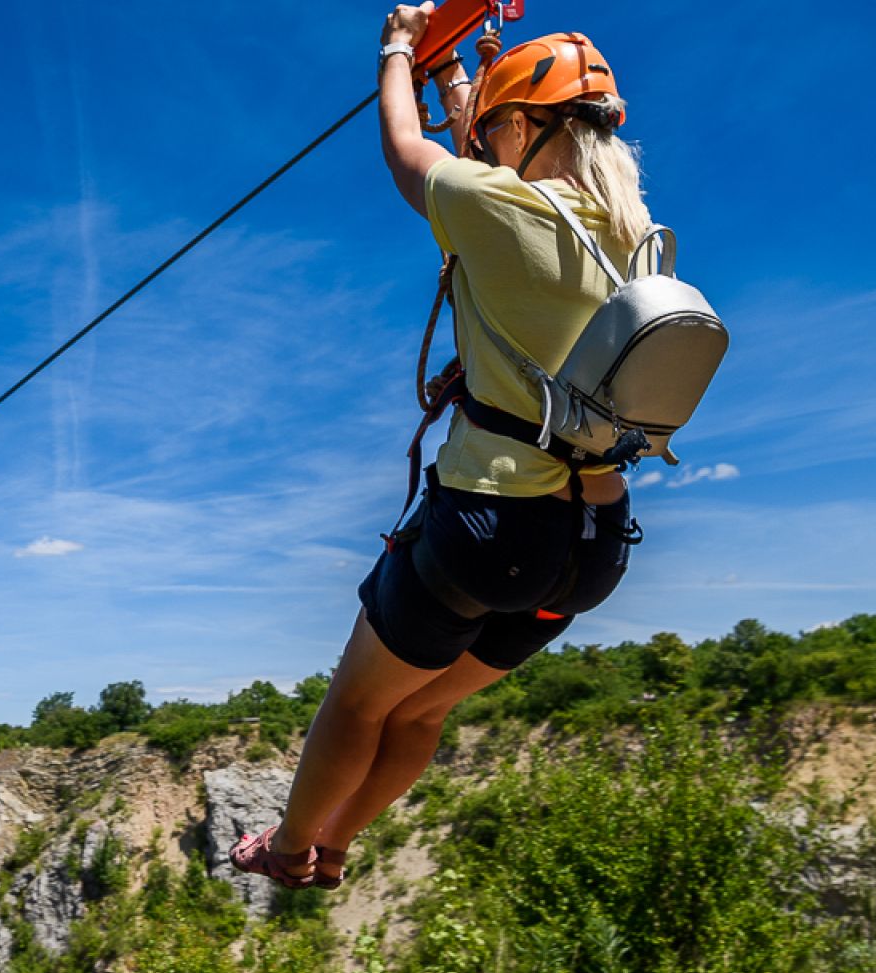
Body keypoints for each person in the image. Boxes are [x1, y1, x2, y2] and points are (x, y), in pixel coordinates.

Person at [231, 4, 648, 889]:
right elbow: (491, 160)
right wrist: (460, 74)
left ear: (530, 126)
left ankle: (293, 848)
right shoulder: (636, 236)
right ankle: (339, 848)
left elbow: (406, 150)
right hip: (592, 551)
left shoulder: (491, 203)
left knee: (359, 703)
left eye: (500, 124)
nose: (487, 139)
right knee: (418, 716)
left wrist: (397, 51)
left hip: (491, 534)